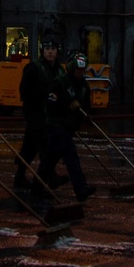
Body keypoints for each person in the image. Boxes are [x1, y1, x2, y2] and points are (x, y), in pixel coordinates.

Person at [41, 51, 96, 203]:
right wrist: (68, 106)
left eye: (82, 70)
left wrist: (87, 115)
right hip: (56, 125)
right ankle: (80, 188)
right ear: (71, 68)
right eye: (78, 70)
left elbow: (86, 106)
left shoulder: (84, 85)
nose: (80, 72)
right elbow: (51, 104)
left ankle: (37, 187)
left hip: (69, 126)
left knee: (50, 159)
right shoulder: (59, 83)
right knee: (71, 155)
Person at [13, 33, 63, 191]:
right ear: (42, 50)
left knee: (30, 147)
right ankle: (46, 179)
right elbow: (24, 91)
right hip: (35, 112)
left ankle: (20, 177)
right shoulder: (34, 68)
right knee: (44, 145)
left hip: (50, 114)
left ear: (57, 51)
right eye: (47, 48)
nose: (50, 52)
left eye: (53, 49)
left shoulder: (60, 70)